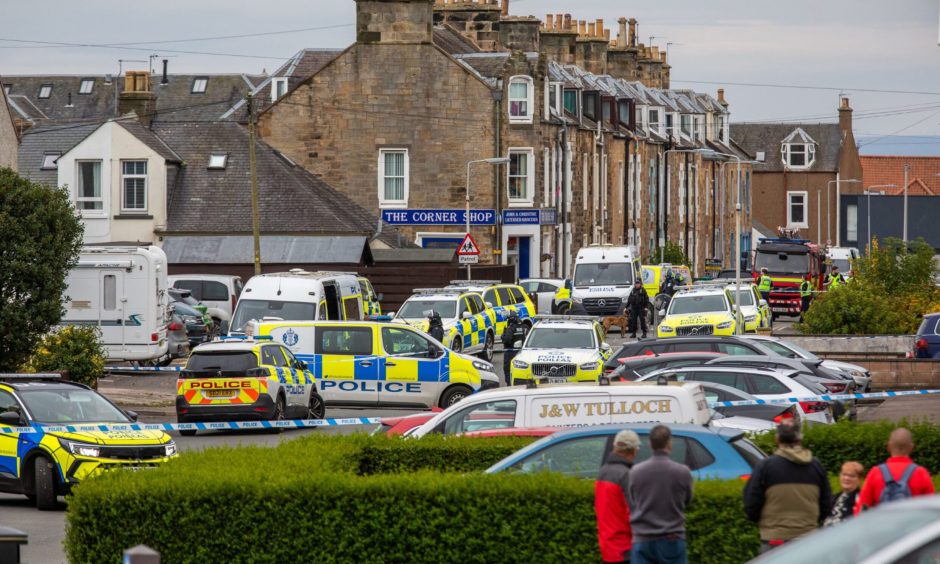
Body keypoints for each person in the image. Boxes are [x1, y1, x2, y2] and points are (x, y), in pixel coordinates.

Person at [743, 421, 831, 553]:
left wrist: (766, 524)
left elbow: (751, 503)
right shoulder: (816, 466)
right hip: (807, 537)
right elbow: (826, 503)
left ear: (777, 438)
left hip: (774, 538)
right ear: (800, 438)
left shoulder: (766, 466)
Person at [628, 425, 693, 564]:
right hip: (672, 538)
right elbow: (687, 500)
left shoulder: (635, 471)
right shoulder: (682, 472)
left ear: (650, 444)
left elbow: (634, 500)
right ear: (670, 444)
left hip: (642, 539)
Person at [854, 427, 935, 514]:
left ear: (888, 447)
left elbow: (862, 509)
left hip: (883, 525)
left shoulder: (875, 472)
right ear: (912, 448)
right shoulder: (921, 473)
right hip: (913, 526)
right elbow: (932, 509)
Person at [596, 430, 641, 564]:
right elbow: (634, 513)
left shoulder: (602, 472)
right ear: (633, 451)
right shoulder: (626, 475)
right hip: (625, 548)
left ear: (615, 447)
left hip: (608, 546)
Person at [823, 461, 864, 527]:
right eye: (844, 474)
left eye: (852, 476)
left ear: (859, 479)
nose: (846, 478)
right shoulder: (834, 497)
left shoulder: (860, 499)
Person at [501, 310, 526, 385]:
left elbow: (506, 339)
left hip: (510, 352)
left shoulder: (511, 328)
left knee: (507, 369)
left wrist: (502, 336)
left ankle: (509, 385)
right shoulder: (523, 326)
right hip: (521, 352)